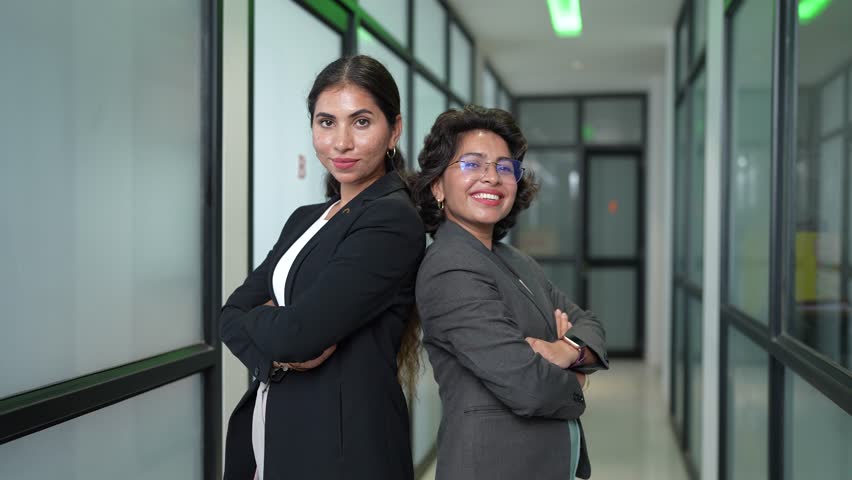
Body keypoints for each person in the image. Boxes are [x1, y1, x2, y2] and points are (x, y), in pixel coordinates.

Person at [220, 55, 424, 480]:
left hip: (342, 450)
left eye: (362, 122)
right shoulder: (305, 218)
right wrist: (278, 352)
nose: (341, 142)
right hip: (274, 432)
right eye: (326, 122)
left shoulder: (392, 218)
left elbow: (301, 334)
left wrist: (275, 326)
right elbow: (229, 315)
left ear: (395, 130)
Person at [412, 105, 609, 480]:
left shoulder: (516, 261)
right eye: (472, 164)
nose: (492, 177)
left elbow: (590, 323)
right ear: (437, 185)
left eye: (505, 167)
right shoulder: (449, 267)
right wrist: (579, 377)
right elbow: (529, 386)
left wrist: (564, 349)